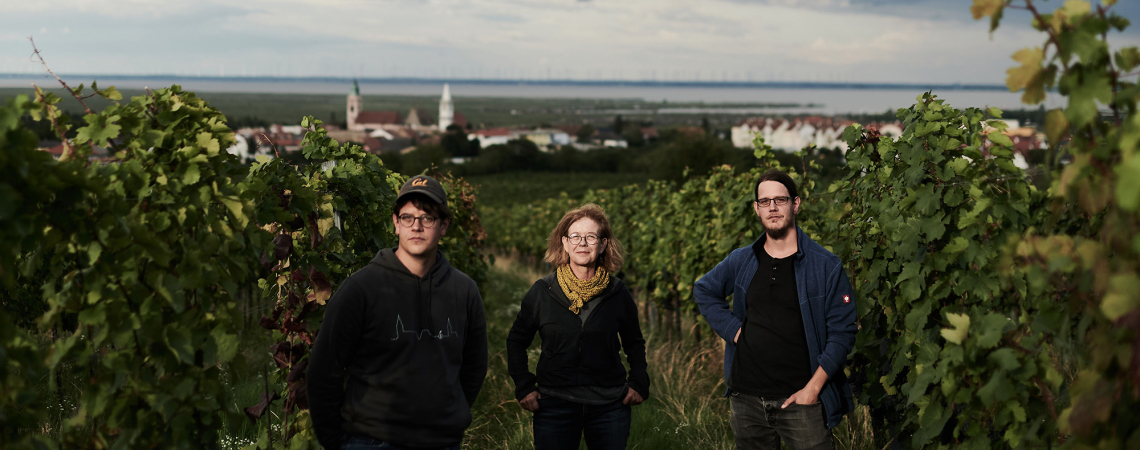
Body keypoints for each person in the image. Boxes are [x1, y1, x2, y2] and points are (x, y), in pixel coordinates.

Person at [307, 175, 488, 450]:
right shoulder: (361, 289)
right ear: (395, 224)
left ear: (444, 226)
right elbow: (323, 370)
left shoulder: (464, 291)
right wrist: (335, 443)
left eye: (427, 218)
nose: (416, 226)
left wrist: (448, 417)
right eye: (407, 217)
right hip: (370, 441)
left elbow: (474, 367)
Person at [693, 169, 857, 450]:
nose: (772, 208)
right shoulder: (743, 259)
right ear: (757, 209)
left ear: (795, 204)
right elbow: (704, 289)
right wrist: (734, 331)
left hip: (801, 401)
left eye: (779, 200)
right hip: (746, 401)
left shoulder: (825, 266)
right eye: (765, 201)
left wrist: (813, 390)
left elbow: (843, 333)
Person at [506, 203, 649, 450]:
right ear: (564, 242)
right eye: (575, 236)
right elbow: (516, 341)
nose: (582, 243)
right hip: (554, 405)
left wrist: (638, 382)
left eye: (591, 236)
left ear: (603, 244)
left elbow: (634, 342)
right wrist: (524, 386)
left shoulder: (617, 292)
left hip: (609, 407)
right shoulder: (543, 292)